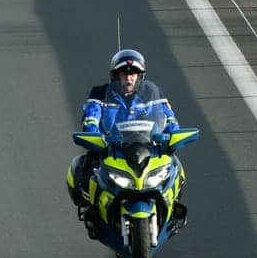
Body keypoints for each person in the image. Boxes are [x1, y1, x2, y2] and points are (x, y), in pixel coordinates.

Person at [68, 48, 182, 238]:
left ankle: (174, 211)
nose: (129, 78)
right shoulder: (100, 93)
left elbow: (169, 119)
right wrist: (93, 135)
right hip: (112, 150)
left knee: (175, 166)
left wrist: (172, 135)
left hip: (147, 149)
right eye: (124, 74)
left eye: (133, 74)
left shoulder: (153, 93)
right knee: (83, 168)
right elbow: (91, 119)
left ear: (140, 76)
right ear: (116, 76)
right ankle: (92, 213)